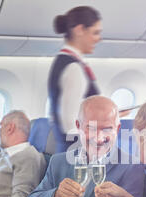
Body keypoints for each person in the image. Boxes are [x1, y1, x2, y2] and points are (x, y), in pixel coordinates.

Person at [23, 96, 144, 197]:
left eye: (107, 129)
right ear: (78, 126)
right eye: (91, 128)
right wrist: (56, 196)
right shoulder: (59, 161)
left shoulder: (130, 167)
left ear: (117, 129)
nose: (99, 138)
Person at [48, 6, 102, 153]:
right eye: (95, 32)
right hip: (75, 153)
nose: (99, 38)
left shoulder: (66, 61)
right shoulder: (73, 68)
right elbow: (69, 124)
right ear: (79, 30)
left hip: (71, 150)